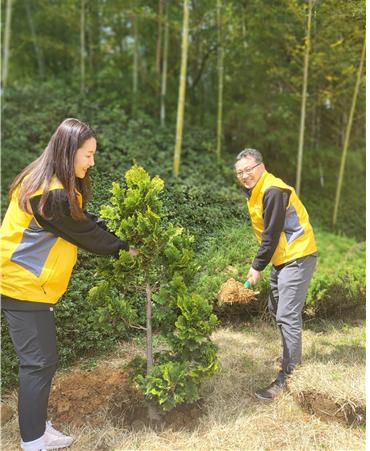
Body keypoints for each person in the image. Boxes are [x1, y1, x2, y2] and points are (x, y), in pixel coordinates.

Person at [1, 118, 139, 451]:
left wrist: (114, 225)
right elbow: (88, 235)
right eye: (88, 155)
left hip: (31, 287)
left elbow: (83, 220)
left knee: (44, 360)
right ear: (69, 152)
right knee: (38, 363)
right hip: (21, 286)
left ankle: (37, 428)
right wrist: (126, 248)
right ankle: (33, 441)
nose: (92, 162)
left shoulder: (51, 184)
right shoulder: (50, 193)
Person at [234, 148, 317, 401]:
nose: (245, 175)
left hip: (298, 256)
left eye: (248, 169)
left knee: (287, 315)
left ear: (261, 166)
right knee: (275, 307)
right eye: (239, 172)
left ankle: (289, 374)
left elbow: (270, 234)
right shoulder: (256, 191)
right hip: (282, 258)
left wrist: (256, 267)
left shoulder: (272, 190)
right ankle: (289, 355)